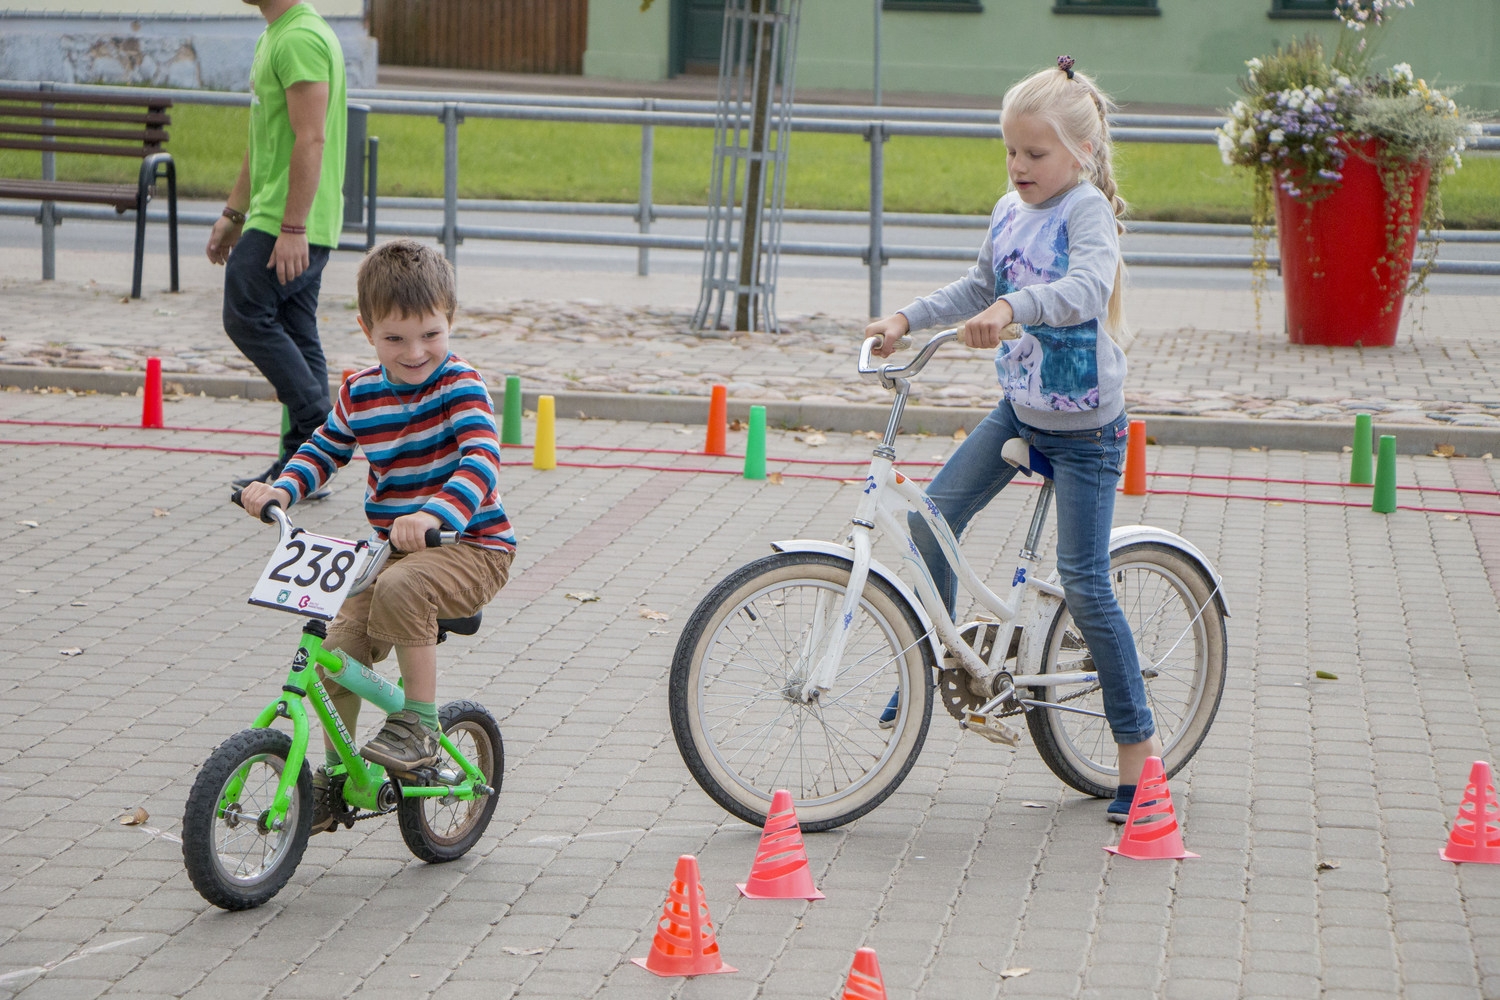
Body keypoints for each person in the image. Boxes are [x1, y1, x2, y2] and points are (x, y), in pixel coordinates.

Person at [864, 56, 1160, 823]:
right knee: (932, 513)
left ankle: (1139, 756)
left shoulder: (1085, 210)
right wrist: (906, 319)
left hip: (1088, 428)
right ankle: (941, 658)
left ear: (1079, 156)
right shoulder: (1008, 209)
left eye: (1035, 153)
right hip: (1022, 411)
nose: (1020, 166)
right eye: (1011, 151)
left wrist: (1017, 308)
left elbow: (1087, 289)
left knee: (1085, 582)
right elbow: (976, 285)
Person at [240, 239, 516, 834]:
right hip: (395, 552)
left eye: (430, 335)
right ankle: (340, 781)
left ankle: (419, 720)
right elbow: (324, 448)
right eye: (395, 339)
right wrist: (282, 488)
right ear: (367, 330)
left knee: (402, 589)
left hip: (472, 548)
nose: (415, 353)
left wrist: (437, 511)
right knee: (333, 656)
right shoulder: (361, 391)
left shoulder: (460, 386)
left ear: (450, 322)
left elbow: (480, 458)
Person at [208, 0, 347, 492]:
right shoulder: (276, 35)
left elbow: (311, 139)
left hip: (291, 218)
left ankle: (321, 427)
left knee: (244, 311)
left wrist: (292, 228)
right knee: (295, 329)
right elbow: (263, 138)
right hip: (279, 213)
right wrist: (234, 213)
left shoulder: (299, 39)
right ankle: (304, 469)